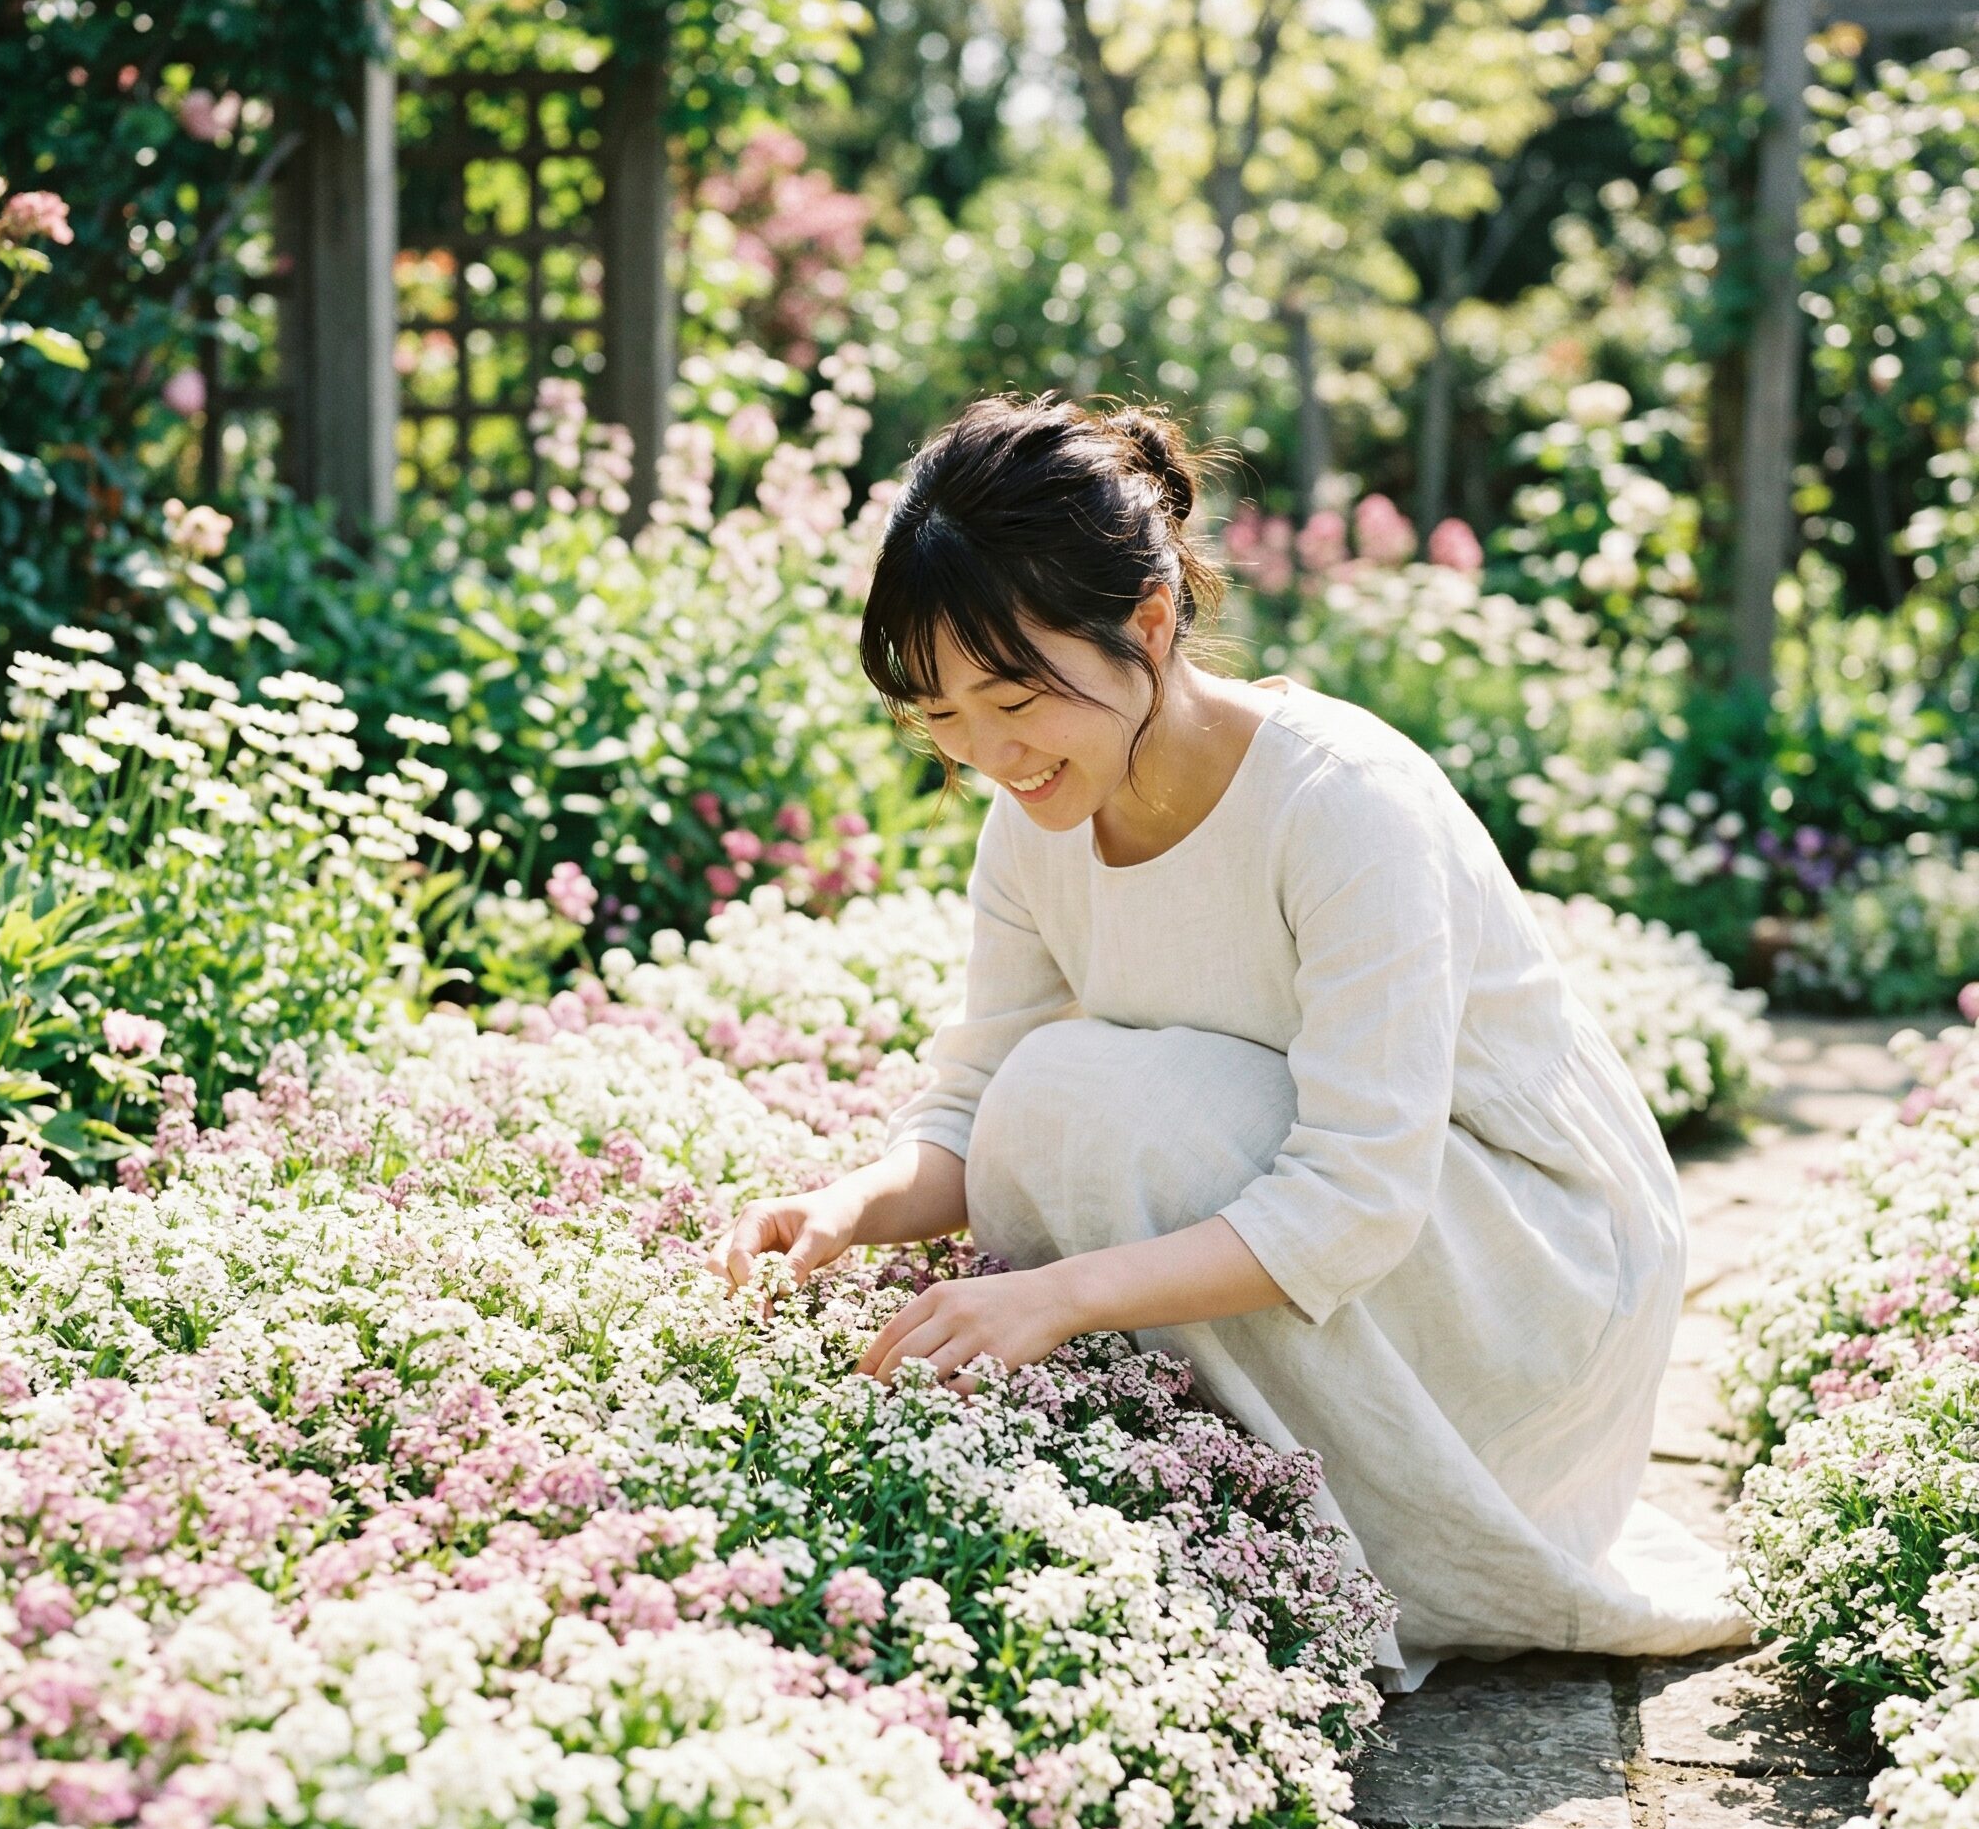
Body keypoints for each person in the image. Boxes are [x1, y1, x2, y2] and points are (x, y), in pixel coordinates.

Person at [705, 390, 1752, 1692]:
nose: (985, 753)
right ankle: (1226, 1502)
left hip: (1532, 1274)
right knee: (1050, 1104)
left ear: (1149, 622)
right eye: (941, 714)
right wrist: (847, 1206)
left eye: (1013, 696)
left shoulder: (1340, 803)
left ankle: (1339, 1528)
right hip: (1348, 1229)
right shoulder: (1031, 823)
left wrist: (1058, 1295)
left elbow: (1363, 1196)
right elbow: (971, 1112)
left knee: (1094, 1107)